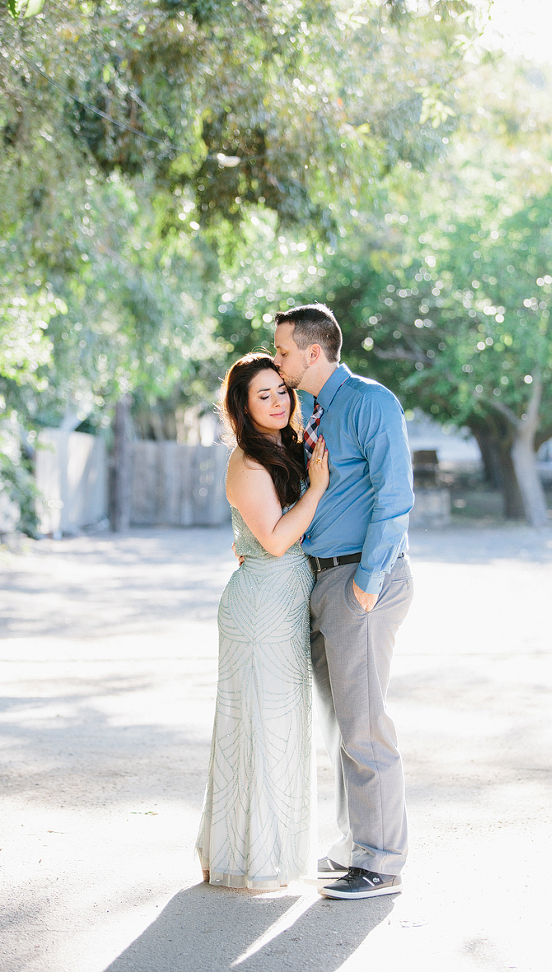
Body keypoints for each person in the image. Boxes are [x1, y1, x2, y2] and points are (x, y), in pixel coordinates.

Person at [272, 304, 414, 900]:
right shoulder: (315, 411)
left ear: (312, 351)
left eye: (281, 352)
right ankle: (355, 843)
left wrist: (368, 581)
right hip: (323, 579)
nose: (277, 365)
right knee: (341, 725)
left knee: (364, 726)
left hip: (362, 579)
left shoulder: (371, 403)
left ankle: (380, 863)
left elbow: (396, 494)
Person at [196, 352, 329, 889]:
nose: (277, 401)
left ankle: (273, 851)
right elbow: (273, 541)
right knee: (257, 729)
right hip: (260, 609)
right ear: (242, 407)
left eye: (281, 390)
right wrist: (316, 488)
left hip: (287, 604)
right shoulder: (246, 462)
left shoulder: (289, 446)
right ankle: (248, 857)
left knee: (283, 731)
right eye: (264, 395)